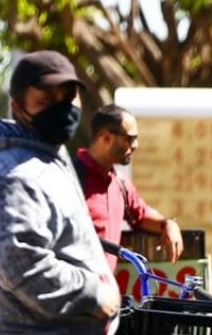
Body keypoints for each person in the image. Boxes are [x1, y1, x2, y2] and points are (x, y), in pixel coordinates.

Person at [0, 51, 120, 335]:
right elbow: (19, 265)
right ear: (18, 106)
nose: (61, 108)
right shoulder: (15, 174)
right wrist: (94, 294)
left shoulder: (48, 156)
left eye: (69, 97)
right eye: (46, 100)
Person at [75, 104, 184, 269]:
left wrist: (168, 224)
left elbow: (140, 215)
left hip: (105, 291)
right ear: (106, 138)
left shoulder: (119, 182)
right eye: (130, 138)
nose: (136, 145)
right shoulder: (71, 177)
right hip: (73, 289)